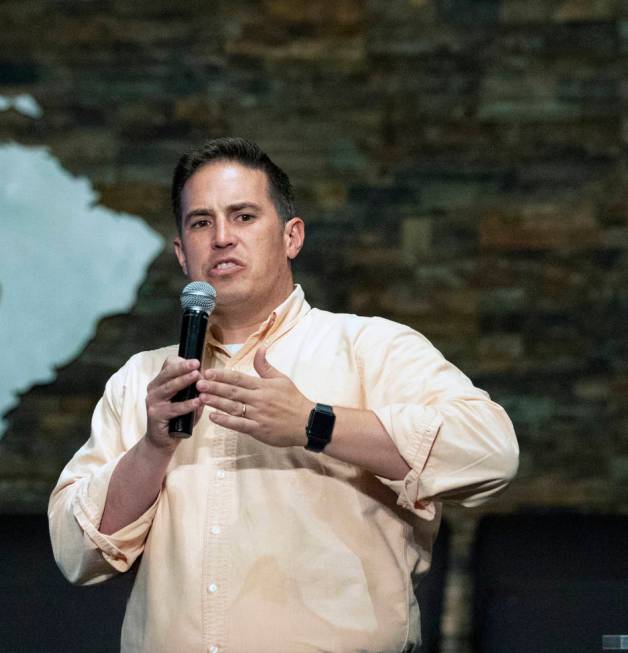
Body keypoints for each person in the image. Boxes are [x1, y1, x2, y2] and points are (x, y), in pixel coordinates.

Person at [48, 137, 519, 653]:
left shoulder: (371, 347)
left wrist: (315, 424)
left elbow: (491, 452)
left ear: (291, 236)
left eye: (244, 216)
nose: (222, 237)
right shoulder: (142, 379)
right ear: (183, 254)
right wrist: (153, 448)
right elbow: (78, 556)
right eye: (201, 223)